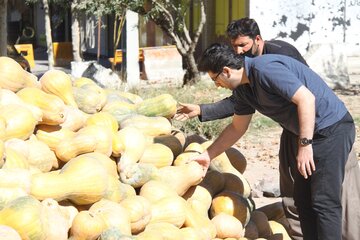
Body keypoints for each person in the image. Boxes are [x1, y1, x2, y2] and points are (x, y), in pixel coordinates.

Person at [174, 17, 360, 240]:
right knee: (303, 200)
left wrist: (305, 145)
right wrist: (207, 155)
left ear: (226, 71)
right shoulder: (244, 89)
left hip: (331, 130)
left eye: (215, 79)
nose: (216, 85)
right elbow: (236, 128)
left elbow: (306, 99)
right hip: (308, 133)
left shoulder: (265, 69)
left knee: (324, 201)